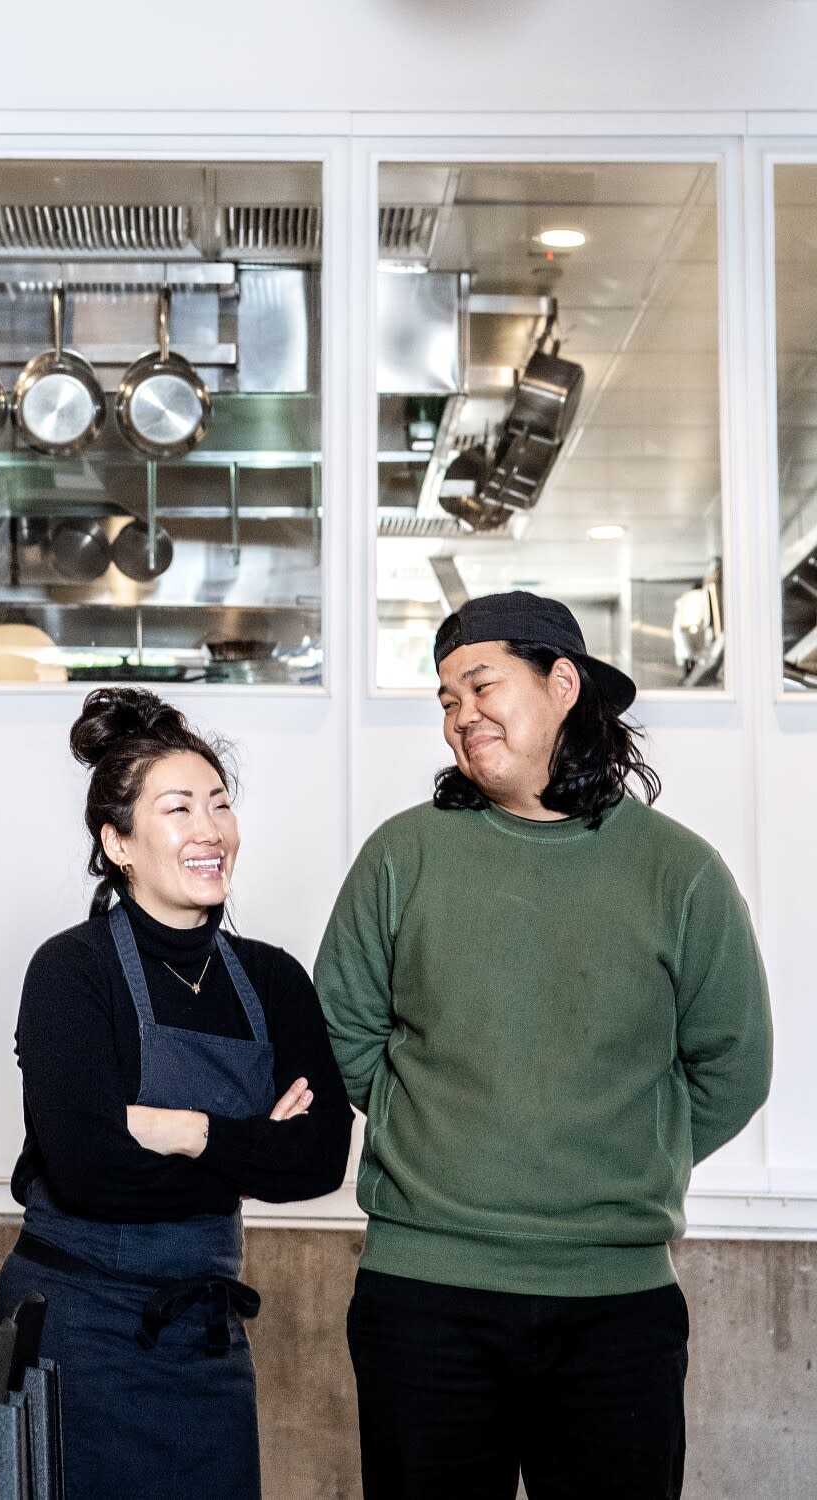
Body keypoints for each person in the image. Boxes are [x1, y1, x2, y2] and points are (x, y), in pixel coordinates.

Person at [315, 590, 773, 1500]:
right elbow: (343, 1032)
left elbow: (735, 1063)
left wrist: (623, 1151)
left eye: (481, 685)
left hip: (617, 1306)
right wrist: (438, 1136)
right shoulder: (403, 855)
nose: (460, 715)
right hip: (425, 1293)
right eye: (445, 699)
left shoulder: (679, 870)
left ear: (563, 684)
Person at [0, 687, 353, 1500]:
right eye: (179, 808)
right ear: (118, 842)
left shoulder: (272, 977)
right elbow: (86, 1169)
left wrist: (182, 1130)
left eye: (220, 806)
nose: (209, 829)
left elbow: (320, 1160)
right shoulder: (71, 973)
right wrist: (251, 1143)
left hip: (205, 1333)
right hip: (74, 1328)